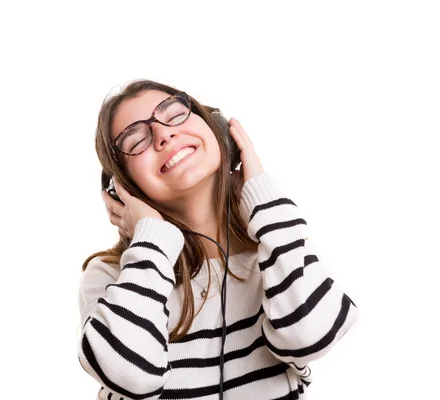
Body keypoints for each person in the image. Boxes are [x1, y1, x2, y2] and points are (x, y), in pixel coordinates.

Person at [77, 79, 359, 399]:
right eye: (136, 139)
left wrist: (263, 197)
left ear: (220, 131)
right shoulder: (114, 275)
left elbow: (311, 336)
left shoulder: (276, 252)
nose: (163, 134)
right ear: (121, 186)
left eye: (174, 113)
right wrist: (152, 241)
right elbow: (132, 376)